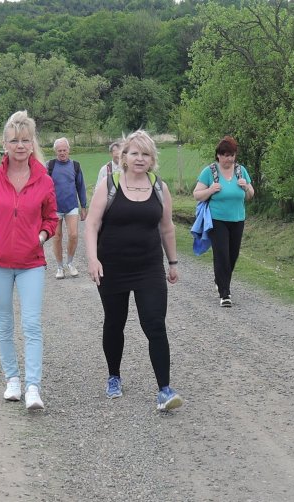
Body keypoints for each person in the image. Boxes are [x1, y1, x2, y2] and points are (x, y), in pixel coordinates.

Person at [0, 110, 58, 411]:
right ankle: (12, 381)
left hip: (31, 262)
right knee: (4, 323)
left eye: (25, 140)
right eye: (14, 140)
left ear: (33, 144)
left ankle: (33, 387)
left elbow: (51, 218)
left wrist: (41, 237)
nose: (20, 145)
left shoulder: (44, 181)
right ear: (4, 144)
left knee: (31, 324)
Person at [84, 130, 183, 411]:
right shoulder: (110, 183)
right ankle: (114, 376)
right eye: (134, 153)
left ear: (152, 160)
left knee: (155, 324)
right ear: (123, 157)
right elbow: (91, 224)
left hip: (149, 267)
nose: (140, 159)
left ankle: (164, 389)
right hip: (112, 266)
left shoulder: (159, 188)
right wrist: (93, 259)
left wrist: (173, 263)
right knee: (115, 322)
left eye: (146, 154)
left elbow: (167, 227)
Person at [192, 136, 255, 307]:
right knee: (221, 255)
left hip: (238, 219)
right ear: (218, 155)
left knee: (232, 255)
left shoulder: (241, 171)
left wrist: (247, 187)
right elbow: (196, 194)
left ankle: (220, 280)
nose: (229, 159)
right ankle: (224, 293)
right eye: (226, 155)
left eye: (232, 155)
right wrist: (211, 190)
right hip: (216, 219)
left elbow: (250, 196)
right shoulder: (210, 171)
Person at [47, 137, 87, 279]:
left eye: (64, 150)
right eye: (59, 151)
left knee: (74, 235)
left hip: (71, 207)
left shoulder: (75, 166)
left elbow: (81, 186)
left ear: (68, 150)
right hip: (54, 208)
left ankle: (70, 263)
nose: (62, 153)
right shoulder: (50, 166)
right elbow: (44, 188)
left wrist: (84, 206)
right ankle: (59, 267)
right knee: (57, 237)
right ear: (55, 151)